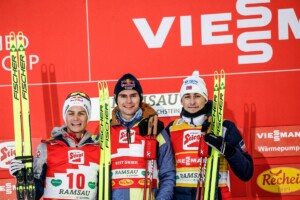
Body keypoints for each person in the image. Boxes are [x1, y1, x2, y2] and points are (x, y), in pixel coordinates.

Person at [165, 71, 254, 200]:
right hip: (180, 195)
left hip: (215, 195)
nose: (192, 102)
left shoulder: (224, 127)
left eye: (197, 96)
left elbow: (246, 172)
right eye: (187, 96)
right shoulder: (171, 129)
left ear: (205, 98)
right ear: (181, 100)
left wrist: (228, 150)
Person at [9, 91, 100, 199]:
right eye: (71, 113)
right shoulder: (46, 147)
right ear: (65, 115)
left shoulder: (98, 149)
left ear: (87, 116)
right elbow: (35, 193)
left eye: (81, 113)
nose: (76, 118)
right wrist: (23, 175)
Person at [110, 73, 175, 200]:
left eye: (133, 95)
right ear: (116, 99)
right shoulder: (106, 133)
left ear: (140, 98)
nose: (128, 101)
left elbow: (168, 174)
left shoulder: (155, 129)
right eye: (123, 96)